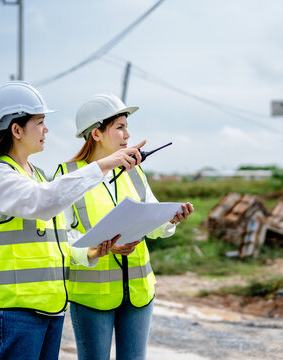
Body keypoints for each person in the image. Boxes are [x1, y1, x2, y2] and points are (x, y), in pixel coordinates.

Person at [0, 82, 145, 360]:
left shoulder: (37, 175)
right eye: (40, 122)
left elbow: (60, 237)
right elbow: (41, 201)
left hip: (51, 308)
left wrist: (93, 249)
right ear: (16, 130)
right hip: (15, 311)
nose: (46, 130)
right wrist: (105, 164)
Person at [55, 93, 194, 360]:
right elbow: (61, 238)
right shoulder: (68, 176)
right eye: (119, 127)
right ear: (96, 133)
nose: (127, 135)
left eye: (126, 127)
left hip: (139, 294)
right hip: (92, 296)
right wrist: (96, 251)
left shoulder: (135, 172)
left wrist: (170, 219)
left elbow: (152, 223)